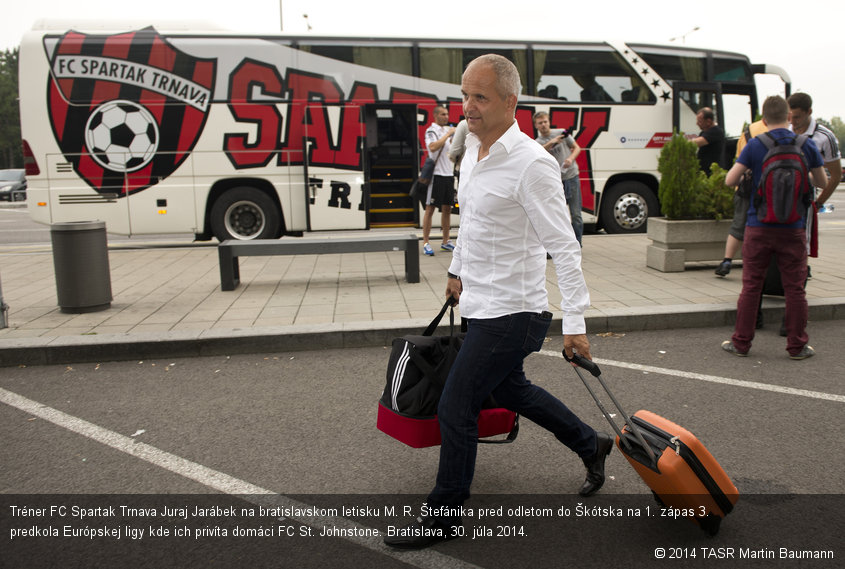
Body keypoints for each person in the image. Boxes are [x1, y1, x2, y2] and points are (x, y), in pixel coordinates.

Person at [384, 54, 611, 550]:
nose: (468, 106)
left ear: (511, 102)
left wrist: (575, 323)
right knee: (512, 391)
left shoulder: (532, 164)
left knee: (456, 405)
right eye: (464, 95)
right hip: (481, 303)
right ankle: (591, 444)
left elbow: (565, 247)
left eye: (480, 97)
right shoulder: (474, 153)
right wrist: (455, 271)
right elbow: (475, 224)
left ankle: (443, 516)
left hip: (516, 311)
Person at [721, 96, 827, 361]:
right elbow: (822, 182)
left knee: (751, 286)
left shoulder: (756, 145)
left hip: (758, 226)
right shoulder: (806, 144)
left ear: (764, 119)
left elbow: (729, 180)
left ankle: (741, 343)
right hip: (793, 228)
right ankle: (797, 346)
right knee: (795, 288)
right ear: (789, 117)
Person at [715, 119, 769, 277]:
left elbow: (740, 158)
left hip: (747, 188)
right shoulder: (787, 133)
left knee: (738, 226)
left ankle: (727, 261)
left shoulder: (749, 131)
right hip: (773, 189)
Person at [534, 111, 584, 245]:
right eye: (540, 123)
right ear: (536, 126)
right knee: (556, 215)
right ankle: (561, 244)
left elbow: (577, 148)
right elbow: (536, 154)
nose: (544, 125)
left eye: (545, 121)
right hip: (554, 181)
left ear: (549, 121)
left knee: (576, 214)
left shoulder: (562, 133)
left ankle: (577, 244)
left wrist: (570, 159)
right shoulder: (537, 143)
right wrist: (552, 142)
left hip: (571, 176)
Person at [788, 93, 842, 210]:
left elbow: (836, 176)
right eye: (790, 116)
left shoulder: (825, 137)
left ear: (809, 112)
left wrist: (818, 204)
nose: (792, 121)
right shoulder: (784, 130)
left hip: (806, 200)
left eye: (797, 117)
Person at [421, 106, 456, 256]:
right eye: (443, 114)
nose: (446, 117)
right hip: (436, 175)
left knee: (447, 208)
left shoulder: (449, 131)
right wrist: (448, 134)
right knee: (430, 208)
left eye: (447, 114)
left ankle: (445, 241)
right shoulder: (431, 131)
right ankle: (426, 242)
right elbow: (433, 147)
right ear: (435, 115)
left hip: (449, 174)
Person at [693, 107, 725, 175]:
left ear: (708, 121)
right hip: (702, 172)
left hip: (711, 172)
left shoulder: (716, 132)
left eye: (700, 121)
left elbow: (697, 142)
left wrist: (680, 142)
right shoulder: (703, 133)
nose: (697, 123)